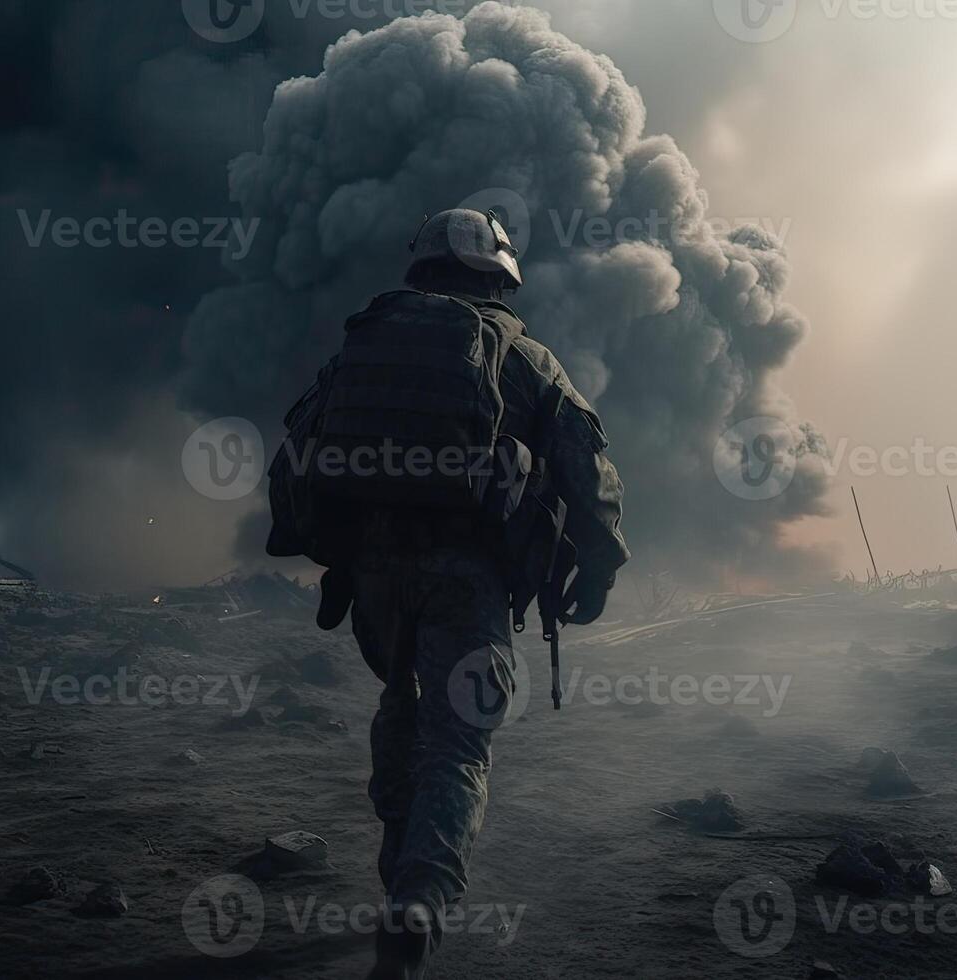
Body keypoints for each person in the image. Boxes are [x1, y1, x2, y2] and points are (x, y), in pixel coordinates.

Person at [266, 208, 629, 979]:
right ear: (499, 275)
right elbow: (586, 471)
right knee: (459, 744)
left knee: (400, 707)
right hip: (468, 579)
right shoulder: (523, 356)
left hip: (373, 577)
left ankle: (398, 876)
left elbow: (298, 446)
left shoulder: (362, 348)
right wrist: (598, 567)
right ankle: (419, 903)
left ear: (422, 271)